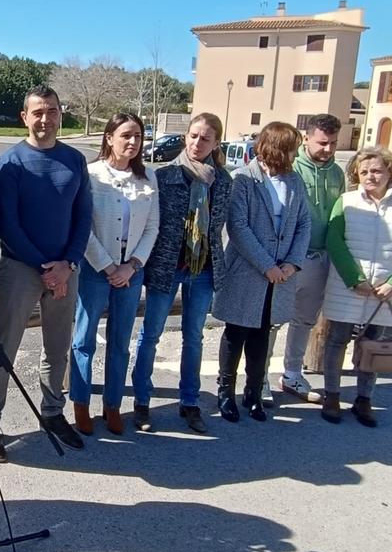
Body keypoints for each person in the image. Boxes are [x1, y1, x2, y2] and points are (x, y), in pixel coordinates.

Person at [0, 85, 92, 458]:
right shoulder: (10, 162)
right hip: (21, 268)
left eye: (52, 111)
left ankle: (52, 412)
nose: (45, 119)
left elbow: (83, 215)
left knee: (57, 348)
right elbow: (7, 224)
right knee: (5, 350)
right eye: (38, 112)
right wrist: (44, 268)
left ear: (61, 114)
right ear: (25, 117)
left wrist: (67, 264)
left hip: (65, 269)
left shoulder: (75, 160)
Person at [132, 112, 233, 434]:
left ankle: (189, 402)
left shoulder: (223, 181)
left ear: (216, 142)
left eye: (205, 138)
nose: (197, 143)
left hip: (203, 269)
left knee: (194, 337)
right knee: (151, 335)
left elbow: (218, 228)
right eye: (193, 136)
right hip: (166, 266)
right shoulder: (164, 176)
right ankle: (142, 402)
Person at [212, 122, 311, 422]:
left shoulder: (295, 181)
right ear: (277, 147)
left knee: (262, 334)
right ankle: (225, 392)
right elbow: (238, 227)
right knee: (236, 332)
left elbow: (304, 223)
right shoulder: (243, 179)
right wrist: (267, 265)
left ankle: (253, 392)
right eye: (292, 146)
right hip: (248, 270)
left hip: (282, 274)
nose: (296, 152)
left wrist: (292, 263)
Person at [320, 146, 392, 427]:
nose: (370, 176)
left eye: (376, 170)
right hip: (350, 286)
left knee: (373, 346)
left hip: (385, 291)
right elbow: (334, 240)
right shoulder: (347, 201)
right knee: (336, 341)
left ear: (390, 171)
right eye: (364, 171)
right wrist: (354, 278)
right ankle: (332, 394)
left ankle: (364, 398)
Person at [69, 113, 159, 436]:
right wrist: (107, 265)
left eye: (138, 136)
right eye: (126, 135)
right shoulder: (92, 175)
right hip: (96, 270)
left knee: (120, 342)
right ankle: (80, 402)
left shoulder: (148, 178)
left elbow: (152, 227)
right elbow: (83, 227)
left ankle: (112, 405)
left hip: (130, 273)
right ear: (109, 137)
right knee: (84, 339)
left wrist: (131, 266)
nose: (133, 142)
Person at [275, 113, 344, 402]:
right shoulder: (291, 170)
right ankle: (259, 377)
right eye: (322, 143)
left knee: (304, 320)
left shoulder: (338, 173)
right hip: (290, 258)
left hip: (319, 258)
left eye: (333, 144)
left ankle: (292, 374)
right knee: (273, 320)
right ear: (307, 138)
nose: (328, 149)